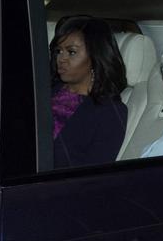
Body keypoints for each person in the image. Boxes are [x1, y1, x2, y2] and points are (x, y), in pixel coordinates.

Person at [50, 15, 128, 167]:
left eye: (71, 52)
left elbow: (92, 176)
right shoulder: (46, 92)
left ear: (95, 56)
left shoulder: (109, 112)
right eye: (58, 51)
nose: (61, 58)